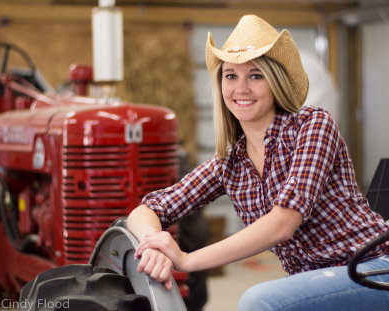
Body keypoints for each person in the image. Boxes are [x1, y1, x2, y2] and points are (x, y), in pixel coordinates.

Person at [127, 14, 389, 310]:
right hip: (317, 280)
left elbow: (283, 223)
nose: (241, 88)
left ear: (275, 81)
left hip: (372, 268)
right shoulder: (230, 162)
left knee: (259, 301)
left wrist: (185, 259)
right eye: (231, 76)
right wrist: (154, 244)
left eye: (255, 75)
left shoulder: (312, 125)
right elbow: (148, 209)